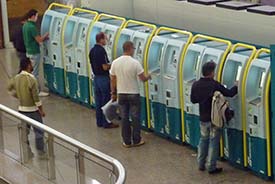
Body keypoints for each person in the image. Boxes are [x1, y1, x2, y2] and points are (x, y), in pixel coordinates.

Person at [191, 61, 238, 174]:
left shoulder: (196, 84)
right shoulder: (214, 84)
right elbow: (230, 93)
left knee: (203, 140)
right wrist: (236, 85)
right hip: (215, 119)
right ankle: (211, 167)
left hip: (203, 118)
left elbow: (193, 100)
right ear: (211, 73)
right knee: (213, 142)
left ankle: (201, 164)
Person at [110, 41, 151, 148]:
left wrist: (113, 93)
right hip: (133, 93)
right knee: (135, 117)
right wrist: (148, 77)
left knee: (124, 118)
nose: (134, 50)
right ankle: (136, 139)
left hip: (121, 94)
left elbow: (113, 79)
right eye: (133, 48)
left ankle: (126, 141)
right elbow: (143, 78)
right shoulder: (135, 63)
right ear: (130, 49)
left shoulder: (115, 62)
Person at [8, 58, 46, 159]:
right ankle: (41, 151)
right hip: (33, 110)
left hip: (22, 110)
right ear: (28, 65)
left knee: (25, 131)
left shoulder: (16, 78)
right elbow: (36, 98)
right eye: (31, 63)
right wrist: (41, 110)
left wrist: (17, 95)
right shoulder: (31, 79)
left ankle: (27, 151)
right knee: (39, 131)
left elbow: (9, 88)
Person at [89, 32, 118, 129]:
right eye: (105, 39)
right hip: (103, 78)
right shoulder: (101, 51)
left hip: (96, 78)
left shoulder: (92, 50)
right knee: (105, 102)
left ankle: (99, 121)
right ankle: (106, 122)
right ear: (101, 40)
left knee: (98, 101)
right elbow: (105, 67)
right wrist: (114, 64)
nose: (106, 40)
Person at [23, 9, 49, 97]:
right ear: (33, 16)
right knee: (35, 73)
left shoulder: (25, 25)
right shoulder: (32, 27)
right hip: (34, 52)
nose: (37, 18)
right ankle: (36, 91)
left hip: (28, 51)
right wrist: (47, 35)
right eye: (37, 16)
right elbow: (39, 40)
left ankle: (31, 90)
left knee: (31, 72)